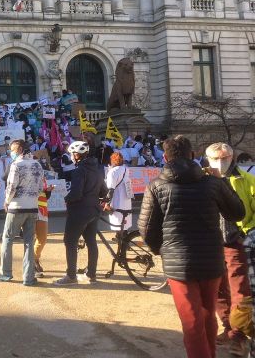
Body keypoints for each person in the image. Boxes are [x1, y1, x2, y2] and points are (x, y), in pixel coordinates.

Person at [138, 136, 245, 358]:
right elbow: (237, 213)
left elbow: (147, 230)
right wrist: (222, 181)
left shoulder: (156, 186)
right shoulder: (213, 183)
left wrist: (164, 250)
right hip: (211, 260)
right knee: (206, 317)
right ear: (193, 156)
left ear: (165, 157)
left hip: (180, 265)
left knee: (192, 322)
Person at [205, 143, 254, 356]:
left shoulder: (247, 180)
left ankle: (240, 335)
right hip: (211, 242)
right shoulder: (202, 181)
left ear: (231, 158)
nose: (220, 162)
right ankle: (229, 327)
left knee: (239, 288)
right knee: (217, 289)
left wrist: (248, 235)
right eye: (216, 158)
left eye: (224, 158)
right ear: (207, 159)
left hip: (237, 241)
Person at [55, 141, 108, 286]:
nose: (71, 156)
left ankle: (71, 276)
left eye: (72, 154)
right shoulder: (97, 169)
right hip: (94, 209)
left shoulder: (80, 170)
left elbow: (76, 193)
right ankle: (91, 274)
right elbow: (104, 191)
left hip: (79, 210)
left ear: (77, 155)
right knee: (91, 242)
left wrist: (66, 199)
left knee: (70, 241)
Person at [0, 139, 44, 286]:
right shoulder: (37, 164)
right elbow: (41, 187)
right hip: (33, 207)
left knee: (8, 239)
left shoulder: (16, 165)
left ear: (20, 149)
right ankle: (29, 277)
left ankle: (6, 273)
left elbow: (11, 187)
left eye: (12, 149)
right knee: (29, 242)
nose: (11, 152)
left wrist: (7, 201)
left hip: (16, 207)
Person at [104, 152, 133, 231]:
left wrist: (107, 203)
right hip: (126, 197)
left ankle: (120, 238)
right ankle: (125, 237)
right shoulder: (126, 169)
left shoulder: (112, 172)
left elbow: (111, 189)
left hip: (117, 198)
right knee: (125, 219)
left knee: (117, 219)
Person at [34, 180, 53, 278]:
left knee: (42, 239)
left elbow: (45, 196)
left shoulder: (41, 175)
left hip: (42, 210)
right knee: (29, 239)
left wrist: (48, 191)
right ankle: (32, 265)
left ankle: (34, 259)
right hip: (28, 208)